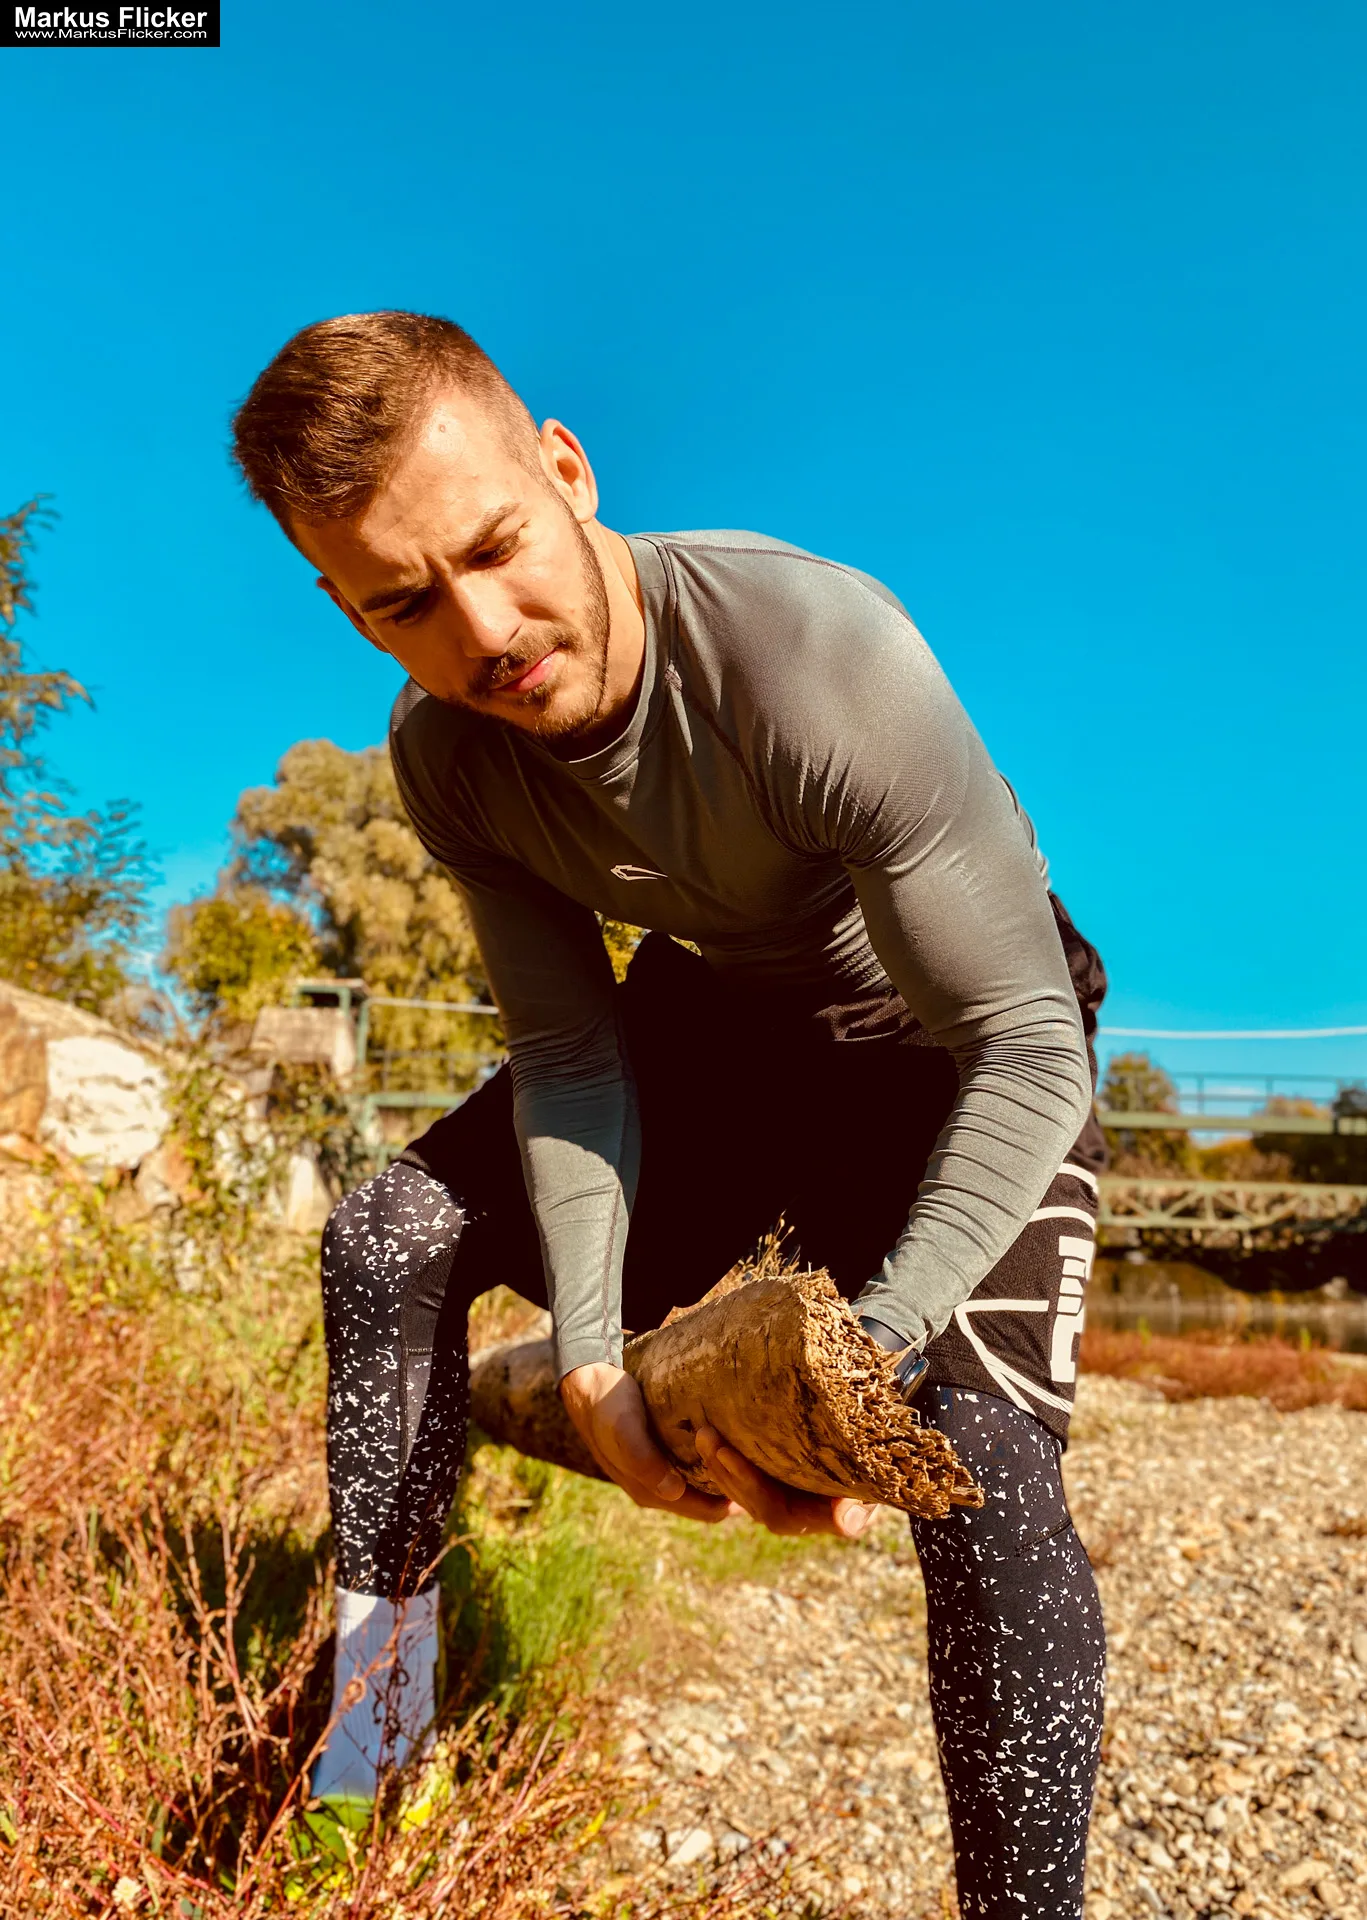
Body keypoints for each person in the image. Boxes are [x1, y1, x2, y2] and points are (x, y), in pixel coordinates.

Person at [231, 310, 1109, 1917]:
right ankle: (372, 1762)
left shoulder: (813, 654)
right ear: (346, 609)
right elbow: (573, 1057)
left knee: (978, 1455)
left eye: (495, 547)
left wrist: (861, 1355)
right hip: (720, 1034)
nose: (484, 632)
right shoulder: (451, 761)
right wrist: (587, 1361)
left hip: (948, 1046)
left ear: (566, 471)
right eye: (402, 604)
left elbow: (1028, 1045)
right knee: (387, 1242)